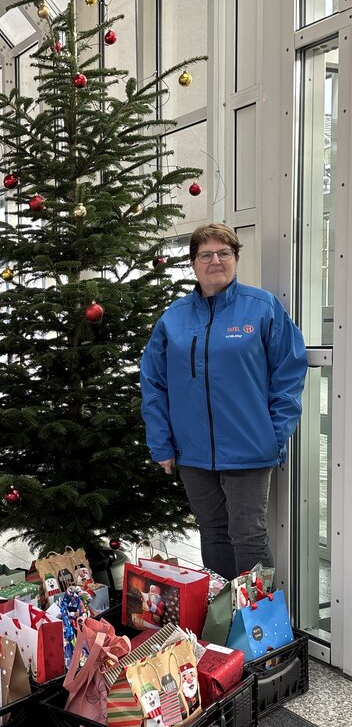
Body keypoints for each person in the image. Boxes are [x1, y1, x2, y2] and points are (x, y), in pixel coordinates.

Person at [140, 223, 307, 582]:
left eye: (224, 253)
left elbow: (289, 373)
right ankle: (222, 617)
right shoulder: (174, 318)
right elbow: (153, 382)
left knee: (249, 536)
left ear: (235, 259)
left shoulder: (262, 308)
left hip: (249, 448)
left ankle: (261, 628)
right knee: (212, 532)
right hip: (193, 452)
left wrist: (273, 435)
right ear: (193, 264)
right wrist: (161, 443)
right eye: (206, 255)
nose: (215, 261)